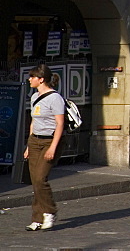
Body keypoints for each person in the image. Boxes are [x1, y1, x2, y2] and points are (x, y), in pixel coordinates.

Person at [24, 64, 65, 231]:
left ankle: (50, 211)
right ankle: (37, 218)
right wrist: (28, 145)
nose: (29, 79)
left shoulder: (55, 98)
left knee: (41, 178)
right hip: (35, 141)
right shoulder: (34, 97)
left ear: (41, 79)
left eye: (32, 77)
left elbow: (60, 123)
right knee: (35, 181)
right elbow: (34, 122)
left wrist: (53, 147)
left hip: (49, 141)